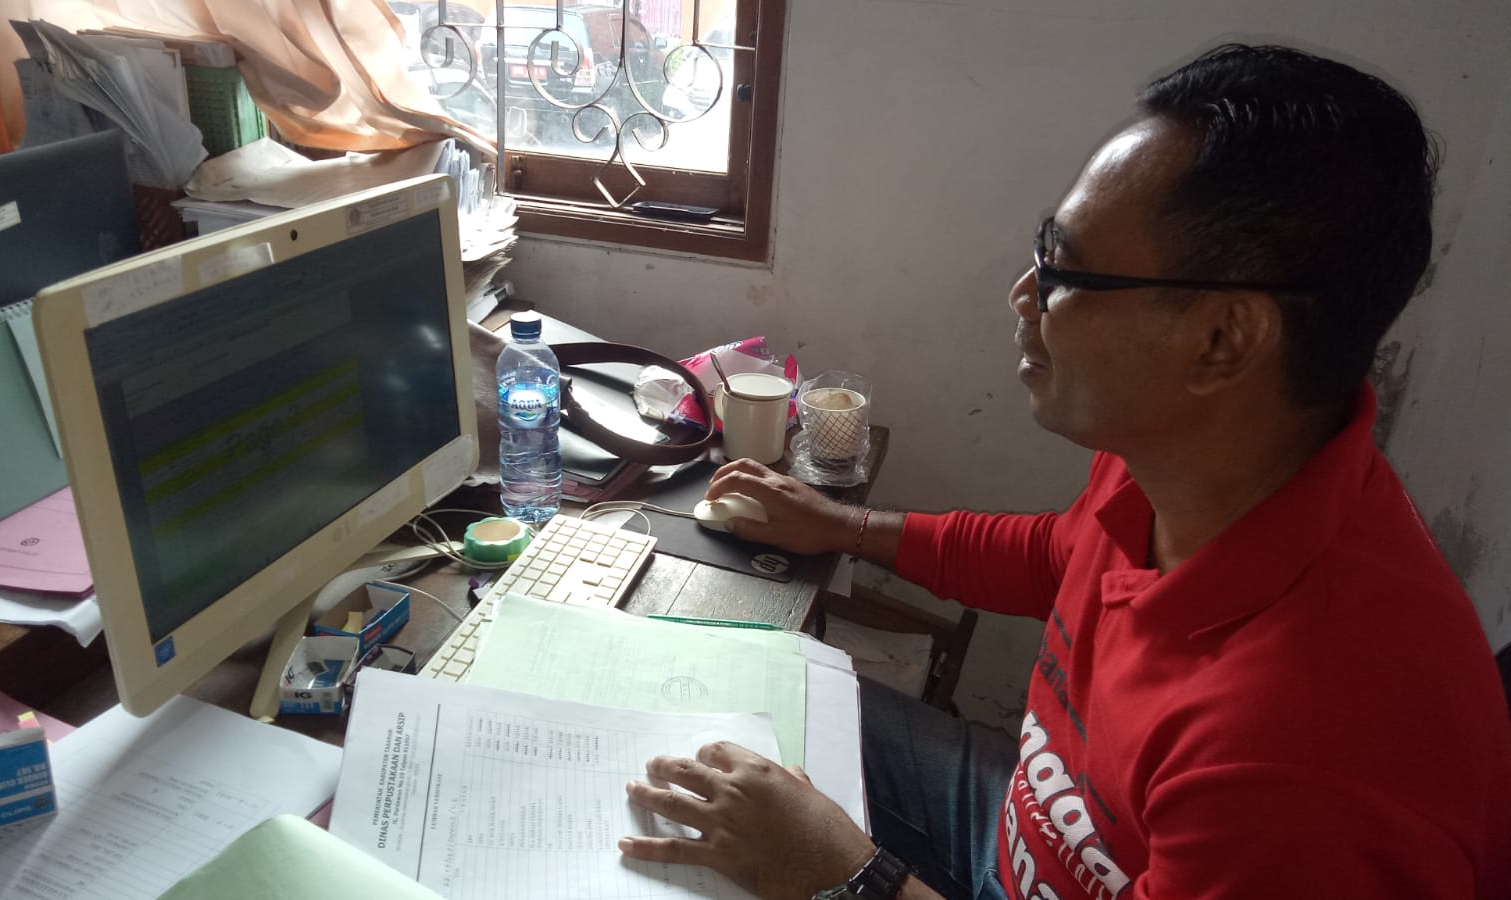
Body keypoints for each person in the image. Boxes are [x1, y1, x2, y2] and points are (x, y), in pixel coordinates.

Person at [615, 43, 1511, 900]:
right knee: (721, 696)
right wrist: (842, 527)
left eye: (1065, 269)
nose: (1023, 294)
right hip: (1029, 826)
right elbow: (1061, 557)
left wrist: (839, 871)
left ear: (1223, 339)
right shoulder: (1188, 459)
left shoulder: (1306, 758)